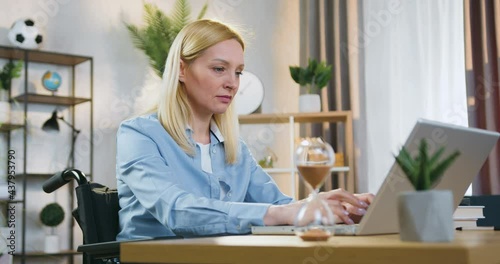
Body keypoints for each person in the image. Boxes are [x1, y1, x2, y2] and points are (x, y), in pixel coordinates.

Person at [116, 19, 373, 240]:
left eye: (238, 72)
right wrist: (286, 212)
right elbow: (175, 210)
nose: (232, 83)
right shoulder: (139, 135)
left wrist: (331, 207)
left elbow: (279, 206)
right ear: (182, 69)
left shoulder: (234, 149)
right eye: (219, 69)